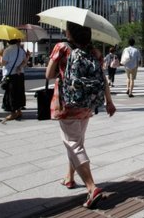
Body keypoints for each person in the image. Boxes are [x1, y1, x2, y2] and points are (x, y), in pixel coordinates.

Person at [45, 21, 116, 209]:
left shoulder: (61, 47)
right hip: (87, 104)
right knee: (77, 142)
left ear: (70, 33)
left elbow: (49, 74)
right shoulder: (95, 52)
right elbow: (103, 79)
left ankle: (92, 188)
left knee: (73, 143)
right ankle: (69, 177)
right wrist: (109, 102)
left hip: (67, 103)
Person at [0, 39, 27, 121]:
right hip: (20, 74)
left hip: (10, 74)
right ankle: (19, 111)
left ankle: (13, 113)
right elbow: (25, 61)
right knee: (19, 92)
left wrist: (1, 56)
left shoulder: (7, 50)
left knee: (11, 94)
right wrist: (19, 67)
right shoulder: (21, 50)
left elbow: (3, 63)